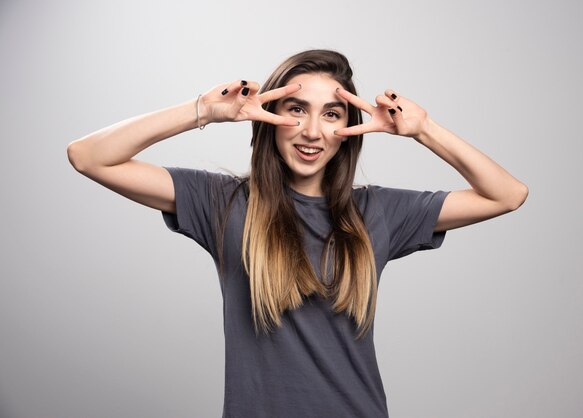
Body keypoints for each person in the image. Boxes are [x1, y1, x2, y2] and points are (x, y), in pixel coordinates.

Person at [67, 49, 528, 418]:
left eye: (331, 114)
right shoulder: (223, 203)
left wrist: (424, 130)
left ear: (348, 127)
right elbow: (89, 156)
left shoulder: (379, 211)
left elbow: (506, 194)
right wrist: (203, 110)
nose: (312, 131)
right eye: (296, 109)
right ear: (271, 115)